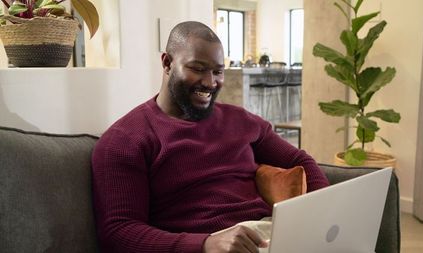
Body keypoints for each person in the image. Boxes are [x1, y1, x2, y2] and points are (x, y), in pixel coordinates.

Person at [92, 21, 329, 253]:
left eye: (217, 71)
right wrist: (205, 244)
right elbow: (119, 233)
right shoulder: (124, 140)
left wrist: (324, 213)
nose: (210, 82)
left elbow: (302, 161)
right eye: (197, 69)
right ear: (167, 63)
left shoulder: (241, 121)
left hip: (266, 235)